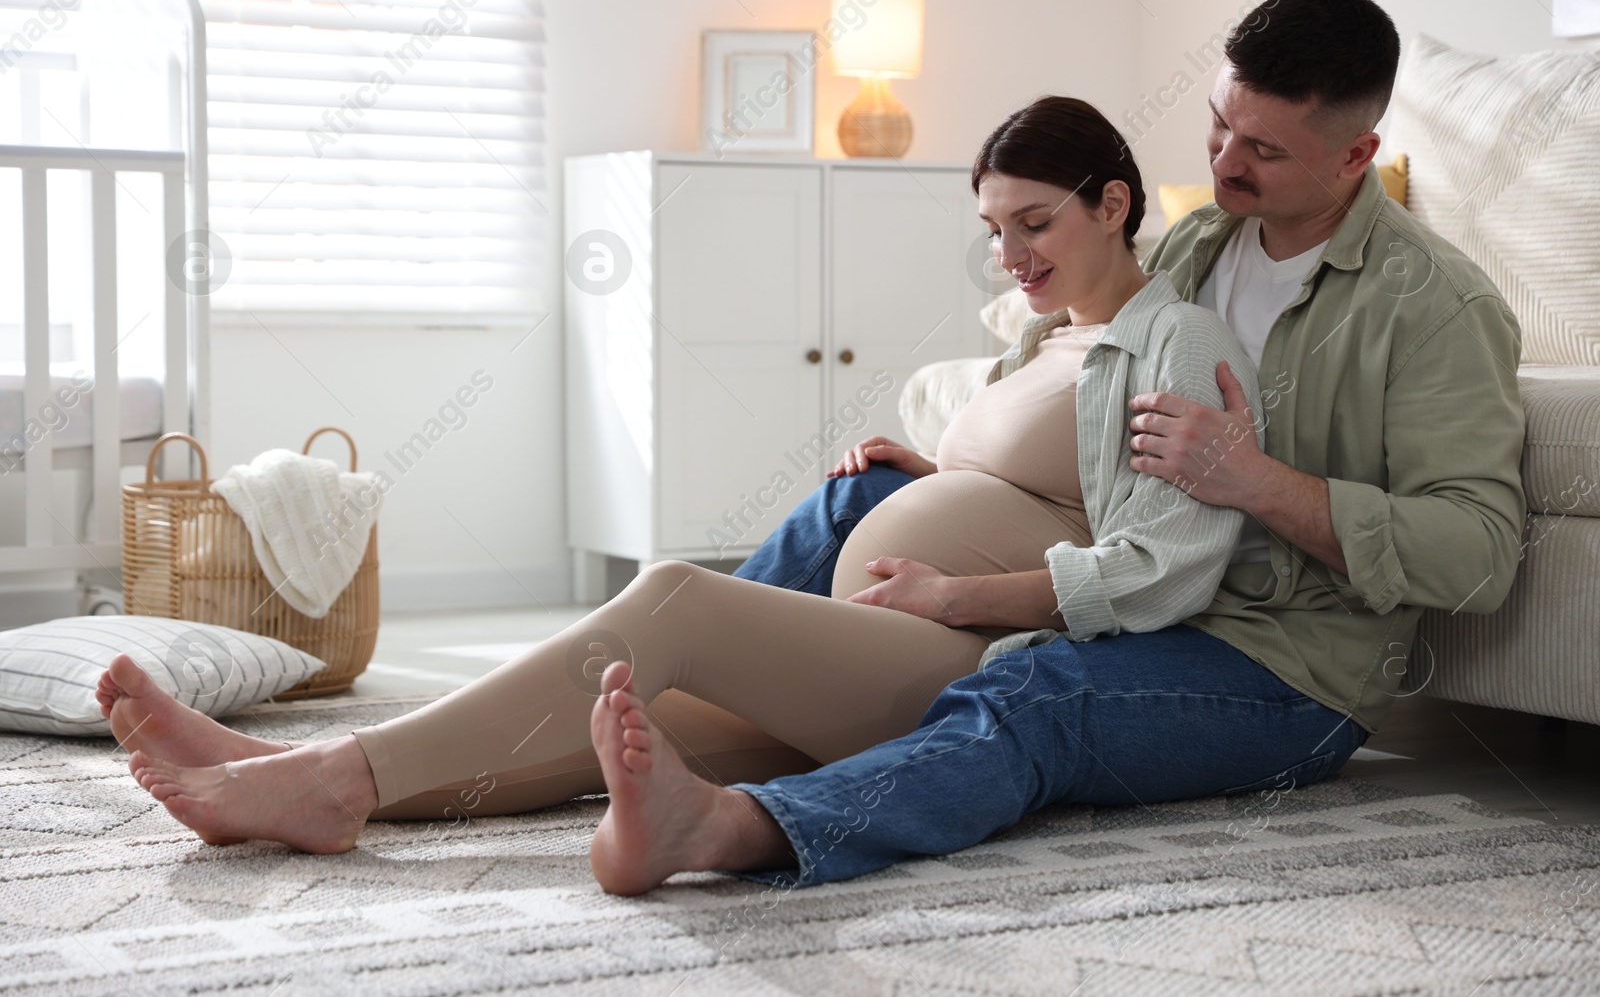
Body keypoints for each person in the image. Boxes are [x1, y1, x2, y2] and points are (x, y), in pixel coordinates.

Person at [99, 96, 1264, 882]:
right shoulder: (1049, 332)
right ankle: (291, 780)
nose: (1009, 253)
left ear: (1114, 203)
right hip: (881, 640)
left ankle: (326, 775)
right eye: (992, 228)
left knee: (670, 601)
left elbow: (1162, 564)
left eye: (1035, 222)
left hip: (960, 660)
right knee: (619, 723)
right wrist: (942, 472)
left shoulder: (1177, 339)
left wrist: (959, 595)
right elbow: (1044, 468)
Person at [576, 0, 1527, 892]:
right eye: (1218, 123)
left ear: (1358, 154)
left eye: (1265, 150)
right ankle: (643, 713)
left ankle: (734, 826)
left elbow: (1479, 558)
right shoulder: (1203, 242)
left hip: (1280, 669)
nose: (1227, 162)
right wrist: (955, 466)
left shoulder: (1436, 308)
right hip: (1146, 592)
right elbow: (1089, 376)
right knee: (852, 503)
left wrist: (1257, 481)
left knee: (1036, 690)